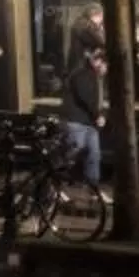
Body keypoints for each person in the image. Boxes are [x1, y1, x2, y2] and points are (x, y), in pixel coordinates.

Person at [60, 42, 106, 185]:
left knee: (94, 155)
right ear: (98, 62)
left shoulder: (93, 75)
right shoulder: (83, 74)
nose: (106, 70)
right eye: (105, 65)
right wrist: (98, 115)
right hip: (78, 121)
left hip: (89, 122)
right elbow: (86, 97)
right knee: (73, 155)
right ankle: (59, 184)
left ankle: (93, 188)